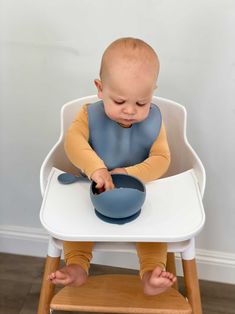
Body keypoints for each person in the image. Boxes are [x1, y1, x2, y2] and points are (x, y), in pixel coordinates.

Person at [48, 37, 176, 295]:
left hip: (138, 192)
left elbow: (162, 158)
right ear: (100, 88)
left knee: (154, 231)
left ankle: (151, 273)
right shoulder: (89, 114)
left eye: (141, 103)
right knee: (76, 226)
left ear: (152, 92)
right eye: (119, 102)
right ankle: (76, 267)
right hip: (94, 189)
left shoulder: (154, 120)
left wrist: (128, 173)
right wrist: (97, 169)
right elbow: (73, 142)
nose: (130, 110)